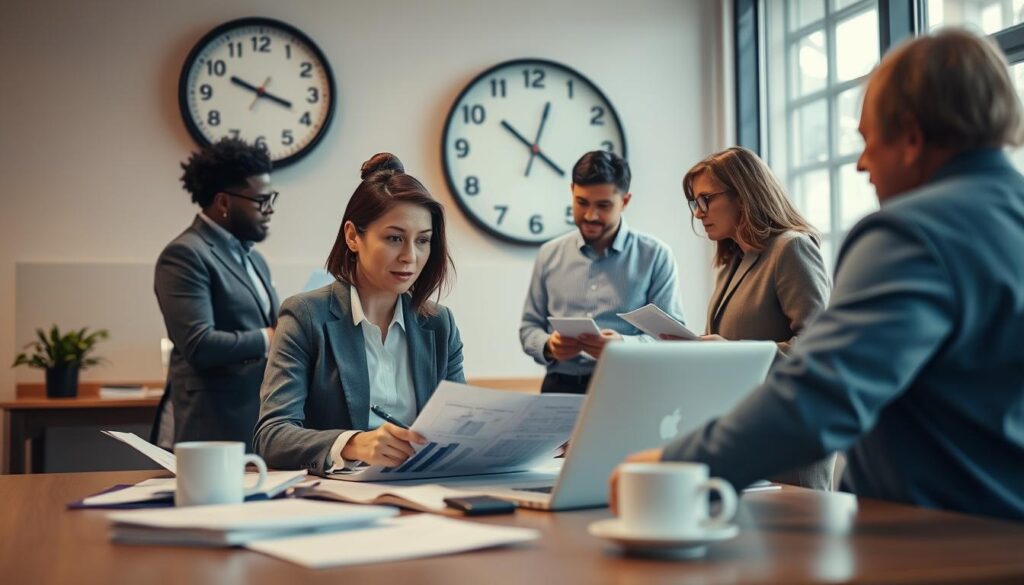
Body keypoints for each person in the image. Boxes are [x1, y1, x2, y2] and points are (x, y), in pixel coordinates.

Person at [610, 29, 1024, 520]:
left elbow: (825, 390)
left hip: (932, 537)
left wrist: (678, 463)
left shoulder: (911, 233)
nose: (861, 165)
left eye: (869, 141)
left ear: (911, 137)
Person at [254, 153, 464, 475]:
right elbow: (271, 437)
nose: (410, 256)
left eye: (423, 241)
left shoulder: (439, 324)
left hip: (424, 492)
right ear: (353, 236)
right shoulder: (305, 316)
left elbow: (459, 427)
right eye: (394, 238)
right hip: (338, 499)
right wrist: (352, 444)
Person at [680, 147, 835, 490]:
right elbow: (725, 344)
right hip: (745, 435)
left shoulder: (791, 248)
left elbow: (817, 351)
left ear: (744, 194)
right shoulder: (732, 262)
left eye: (706, 199)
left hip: (788, 441)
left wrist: (731, 353)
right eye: (694, 203)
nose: (698, 213)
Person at [520, 150, 686, 394]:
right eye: (582, 202)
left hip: (629, 389)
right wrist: (548, 345)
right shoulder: (549, 254)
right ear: (572, 191)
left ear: (625, 201)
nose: (590, 215)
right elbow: (529, 327)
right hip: (559, 387)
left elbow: (672, 338)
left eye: (603, 205)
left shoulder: (656, 256)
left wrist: (623, 345)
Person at [154, 138, 279, 451]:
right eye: (261, 200)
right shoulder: (184, 254)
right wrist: (271, 336)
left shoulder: (254, 258)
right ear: (224, 203)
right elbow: (200, 345)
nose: (270, 209)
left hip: (257, 419)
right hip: (211, 426)